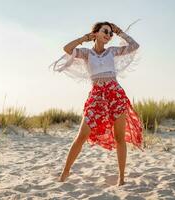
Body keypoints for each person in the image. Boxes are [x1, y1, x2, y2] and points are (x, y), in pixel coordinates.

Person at [49, 21, 144, 186]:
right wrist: (85, 38)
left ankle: (121, 178)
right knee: (81, 136)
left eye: (110, 33)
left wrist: (119, 31)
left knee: (119, 138)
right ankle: (65, 172)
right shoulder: (87, 54)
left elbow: (134, 46)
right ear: (96, 33)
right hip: (97, 96)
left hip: (115, 94)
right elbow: (67, 49)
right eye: (105, 31)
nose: (108, 35)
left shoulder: (112, 52)